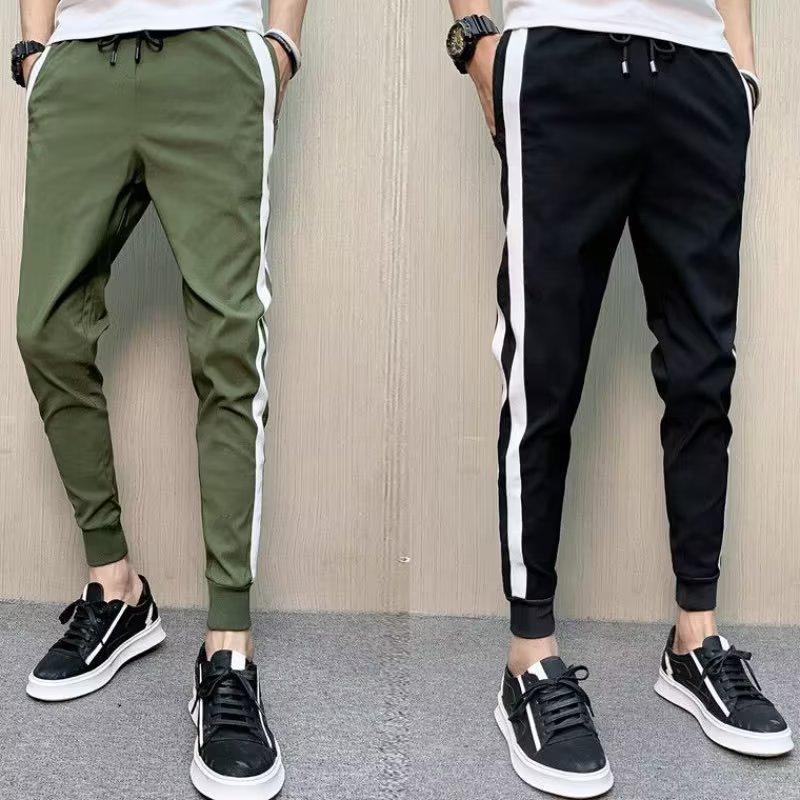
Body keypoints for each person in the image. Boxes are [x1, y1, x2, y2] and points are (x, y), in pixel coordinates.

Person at [445, 0, 791, 796]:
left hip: (701, 71)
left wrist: (742, 72)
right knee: (543, 367)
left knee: (704, 370)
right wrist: (476, 43)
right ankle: (530, 657)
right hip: (560, 54)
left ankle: (695, 639)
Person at [12, 0, 306, 796]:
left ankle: (229, 649)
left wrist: (281, 47)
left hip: (213, 54)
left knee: (228, 348)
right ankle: (117, 592)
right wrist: (34, 49)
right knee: (46, 331)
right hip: (80, 63)